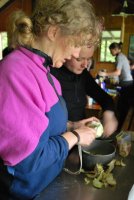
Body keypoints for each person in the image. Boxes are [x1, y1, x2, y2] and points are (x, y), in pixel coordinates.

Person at [0, 0, 102, 199]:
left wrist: (71, 126)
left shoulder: (47, 74)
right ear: (54, 32)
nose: (76, 53)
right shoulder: (15, 72)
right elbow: (28, 162)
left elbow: (39, 126)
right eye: (75, 44)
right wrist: (76, 137)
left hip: (47, 186)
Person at [51, 45, 118, 137]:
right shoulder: (51, 74)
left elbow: (104, 97)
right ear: (66, 54)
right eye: (79, 59)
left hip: (81, 135)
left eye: (88, 59)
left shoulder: (83, 75)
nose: (85, 65)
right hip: (58, 137)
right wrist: (72, 126)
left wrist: (109, 115)